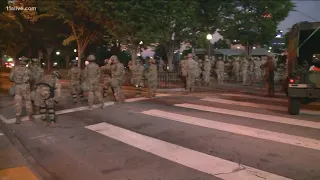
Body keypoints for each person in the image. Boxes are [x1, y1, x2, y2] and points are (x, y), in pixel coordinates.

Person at [9, 56, 33, 124]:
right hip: (25, 86)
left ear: (20, 62)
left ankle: (17, 118)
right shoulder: (28, 70)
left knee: (18, 102)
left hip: (17, 86)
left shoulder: (14, 69)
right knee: (28, 101)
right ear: (26, 62)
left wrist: (16, 80)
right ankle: (30, 116)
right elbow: (31, 79)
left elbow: (10, 78)